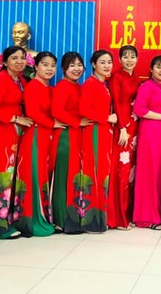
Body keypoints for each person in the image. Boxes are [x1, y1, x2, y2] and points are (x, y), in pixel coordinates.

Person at [14, 52, 65, 237]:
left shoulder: (51, 89)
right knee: (34, 177)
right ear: (35, 66)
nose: (49, 69)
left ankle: (46, 217)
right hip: (35, 136)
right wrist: (53, 123)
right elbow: (33, 113)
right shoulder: (32, 87)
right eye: (45, 64)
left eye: (52, 65)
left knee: (44, 177)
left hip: (47, 137)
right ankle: (32, 220)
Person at [0, 45, 33, 239]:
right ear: (4, 62)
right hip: (3, 132)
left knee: (11, 176)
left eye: (22, 58)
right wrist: (15, 118)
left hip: (15, 134)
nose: (19, 61)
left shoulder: (21, 80)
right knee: (2, 176)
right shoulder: (1, 79)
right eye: (14, 58)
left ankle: (8, 219)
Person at [50, 52, 92, 233]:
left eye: (79, 65)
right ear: (64, 69)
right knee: (63, 178)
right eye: (72, 65)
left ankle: (74, 217)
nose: (77, 69)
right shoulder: (62, 86)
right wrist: (77, 122)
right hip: (66, 137)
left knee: (74, 178)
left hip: (77, 136)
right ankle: (61, 219)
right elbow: (57, 111)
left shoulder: (80, 87)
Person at [132, 55, 161, 229]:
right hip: (150, 134)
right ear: (151, 69)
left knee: (159, 174)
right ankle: (146, 217)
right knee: (149, 174)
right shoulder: (147, 86)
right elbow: (139, 109)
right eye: (159, 67)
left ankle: (157, 213)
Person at [79, 50, 118, 233]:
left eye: (109, 62)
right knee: (94, 172)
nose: (107, 65)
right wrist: (106, 118)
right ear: (94, 64)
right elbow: (84, 109)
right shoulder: (91, 83)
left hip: (104, 132)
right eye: (102, 62)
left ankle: (100, 218)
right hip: (94, 131)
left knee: (102, 173)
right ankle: (90, 220)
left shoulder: (104, 84)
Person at [108, 45, 141, 230]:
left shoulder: (136, 78)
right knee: (121, 171)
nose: (129, 60)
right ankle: (119, 217)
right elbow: (116, 103)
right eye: (125, 57)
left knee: (131, 173)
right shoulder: (116, 77)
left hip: (134, 128)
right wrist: (121, 128)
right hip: (123, 129)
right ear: (120, 60)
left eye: (132, 56)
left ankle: (128, 214)